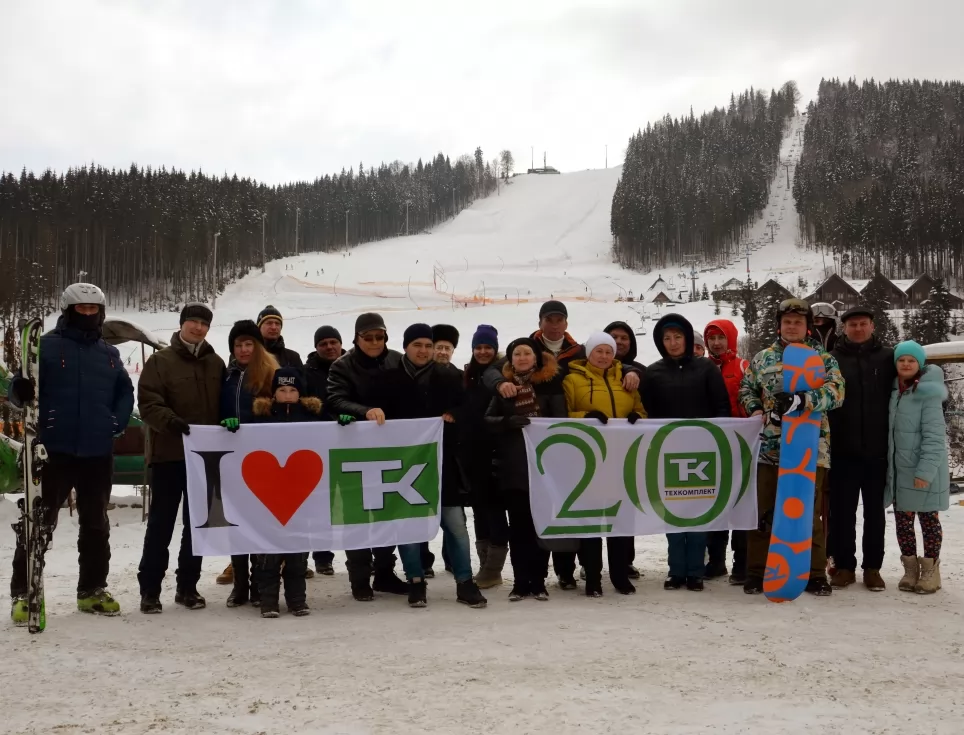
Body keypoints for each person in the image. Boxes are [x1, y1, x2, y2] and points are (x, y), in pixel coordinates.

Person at [483, 301, 640, 589]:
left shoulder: (578, 350)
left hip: (582, 453)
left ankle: (578, 570)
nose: (554, 325)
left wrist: (631, 370)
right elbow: (493, 370)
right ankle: (550, 574)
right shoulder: (525, 349)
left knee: (573, 512)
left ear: (566, 323)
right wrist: (497, 384)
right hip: (529, 455)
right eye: (549, 320)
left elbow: (606, 359)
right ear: (540, 322)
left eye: (559, 320)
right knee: (546, 515)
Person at [7, 283, 134, 623]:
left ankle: (92, 590)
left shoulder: (109, 354)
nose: (89, 315)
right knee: (38, 523)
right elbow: (18, 389)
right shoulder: (44, 348)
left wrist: (115, 422)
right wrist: (19, 391)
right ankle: (24, 593)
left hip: (96, 451)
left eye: (94, 310)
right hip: (53, 449)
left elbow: (125, 391)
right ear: (68, 311)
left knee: (96, 523)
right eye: (82, 310)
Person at [738, 298, 845, 597]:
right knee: (763, 511)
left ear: (807, 326)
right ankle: (758, 571)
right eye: (788, 322)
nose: (793, 326)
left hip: (810, 449)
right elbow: (746, 388)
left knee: (807, 513)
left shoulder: (823, 359)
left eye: (799, 321)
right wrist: (755, 409)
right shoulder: (762, 359)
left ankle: (813, 573)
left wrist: (803, 400)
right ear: (779, 325)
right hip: (769, 448)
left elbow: (836, 392)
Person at [377, 324, 486, 609]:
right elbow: (376, 415)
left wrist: (455, 415)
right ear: (406, 347)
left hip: (441, 464)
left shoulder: (450, 376)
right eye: (417, 345)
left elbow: (470, 409)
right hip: (403, 468)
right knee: (409, 526)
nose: (424, 351)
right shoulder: (388, 379)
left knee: (456, 526)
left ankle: (465, 582)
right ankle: (415, 581)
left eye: (428, 345)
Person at [137, 303, 225, 613]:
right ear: (182, 324)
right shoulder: (161, 362)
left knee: (197, 525)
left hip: (205, 459)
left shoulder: (216, 363)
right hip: (169, 455)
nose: (198, 328)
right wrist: (170, 421)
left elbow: (225, 405)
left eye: (204, 324)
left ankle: (188, 586)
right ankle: (150, 590)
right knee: (160, 524)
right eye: (193, 322)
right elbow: (148, 402)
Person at [642, 314, 730, 591]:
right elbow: (647, 413)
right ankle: (676, 570)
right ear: (660, 342)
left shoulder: (706, 369)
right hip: (668, 453)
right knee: (674, 512)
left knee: (698, 512)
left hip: (703, 452)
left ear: (687, 338)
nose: (673, 343)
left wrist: (719, 442)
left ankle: (695, 571)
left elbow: (721, 408)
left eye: (678, 337)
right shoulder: (653, 372)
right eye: (667, 338)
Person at [326, 312, 408, 600]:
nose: (374, 342)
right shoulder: (342, 365)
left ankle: (385, 573)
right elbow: (334, 399)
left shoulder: (398, 360)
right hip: (354, 451)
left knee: (389, 511)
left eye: (379, 336)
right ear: (357, 338)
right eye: (368, 337)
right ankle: (359, 579)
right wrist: (364, 412)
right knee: (356, 514)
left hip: (391, 449)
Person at [562, 331, 645, 597]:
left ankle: (620, 575)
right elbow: (561, 415)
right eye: (599, 351)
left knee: (619, 520)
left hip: (620, 459)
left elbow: (641, 410)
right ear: (589, 353)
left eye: (609, 352)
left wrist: (636, 416)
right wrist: (585, 416)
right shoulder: (573, 380)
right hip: (588, 460)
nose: (604, 356)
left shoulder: (626, 379)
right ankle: (593, 577)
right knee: (591, 522)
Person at [485, 338, 568, 600]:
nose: (522, 358)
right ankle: (520, 582)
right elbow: (487, 420)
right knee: (519, 527)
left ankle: (539, 581)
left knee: (540, 526)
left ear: (536, 358)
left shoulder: (550, 384)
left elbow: (561, 423)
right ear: (511, 359)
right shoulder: (505, 388)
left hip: (544, 467)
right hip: (515, 467)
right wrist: (508, 421)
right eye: (517, 354)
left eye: (527, 353)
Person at [827, 307, 895, 591]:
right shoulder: (832, 359)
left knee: (875, 514)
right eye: (852, 324)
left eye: (863, 323)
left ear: (872, 325)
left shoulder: (887, 356)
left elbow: (912, 373)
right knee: (842, 513)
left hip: (877, 451)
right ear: (844, 328)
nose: (858, 328)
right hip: (842, 451)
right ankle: (844, 566)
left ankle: (873, 568)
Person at [250, 367, 324, 616]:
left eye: (293, 390)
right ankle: (268, 600)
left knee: (297, 552)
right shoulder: (260, 418)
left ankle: (297, 600)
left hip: (301, 495)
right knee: (268, 553)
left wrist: (344, 426)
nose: (288, 394)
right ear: (274, 394)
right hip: (268, 495)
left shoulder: (313, 418)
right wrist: (232, 428)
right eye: (282, 390)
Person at [217, 320, 279, 607]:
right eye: (238, 344)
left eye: (248, 344)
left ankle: (259, 583)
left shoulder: (271, 373)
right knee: (236, 523)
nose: (243, 349)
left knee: (260, 522)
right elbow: (216, 407)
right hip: (232, 457)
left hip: (263, 458)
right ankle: (240, 584)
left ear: (257, 346)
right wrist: (222, 423)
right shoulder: (226, 375)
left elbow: (283, 412)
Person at [887, 342, 949, 595]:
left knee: (928, 521)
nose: (906, 364)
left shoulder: (927, 394)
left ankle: (931, 572)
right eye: (902, 360)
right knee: (903, 522)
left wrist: (925, 472)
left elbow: (935, 437)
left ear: (920, 364)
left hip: (924, 470)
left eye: (912, 360)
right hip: (899, 470)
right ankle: (910, 570)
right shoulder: (894, 391)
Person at [458, 325, 508, 588]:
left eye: (488, 347)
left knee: (495, 509)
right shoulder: (468, 375)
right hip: (471, 452)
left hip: (495, 451)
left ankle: (494, 568)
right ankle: (484, 564)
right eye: (479, 347)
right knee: (479, 509)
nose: (483, 351)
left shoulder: (499, 373)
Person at [703, 319, 750, 584]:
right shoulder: (703, 368)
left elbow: (752, 396)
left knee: (742, 502)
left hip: (741, 444)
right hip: (711, 446)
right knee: (715, 502)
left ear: (731, 339)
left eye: (721, 338)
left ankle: (741, 562)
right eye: (712, 339)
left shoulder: (743, 366)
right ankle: (715, 560)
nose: (717, 343)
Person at [603, 320, 647, 581]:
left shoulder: (640, 372)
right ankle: (590, 562)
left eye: (624, 338)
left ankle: (625, 560)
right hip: (598, 452)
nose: (619, 342)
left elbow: (646, 408)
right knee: (597, 507)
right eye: (613, 337)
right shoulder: (583, 372)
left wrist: (638, 417)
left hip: (629, 450)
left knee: (626, 506)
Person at [304, 324, 346, 576]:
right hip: (319, 443)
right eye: (323, 344)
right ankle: (322, 555)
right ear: (316, 347)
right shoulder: (307, 372)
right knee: (321, 503)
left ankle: (365, 553)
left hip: (352, 441)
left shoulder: (354, 366)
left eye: (334, 342)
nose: (329, 347)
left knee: (357, 500)